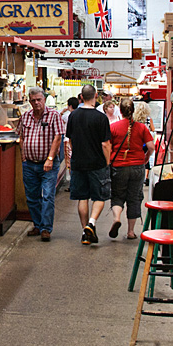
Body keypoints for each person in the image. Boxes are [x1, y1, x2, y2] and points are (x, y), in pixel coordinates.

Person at [66, 84, 112, 245]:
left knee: (82, 197)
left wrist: (76, 152)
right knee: (99, 196)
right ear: (96, 95)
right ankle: (91, 223)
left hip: (78, 162)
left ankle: (85, 232)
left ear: (81, 97)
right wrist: (108, 162)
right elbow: (105, 144)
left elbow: (70, 140)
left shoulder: (73, 116)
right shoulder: (101, 118)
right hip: (97, 163)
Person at [18, 87, 63, 242]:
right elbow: (21, 136)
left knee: (48, 196)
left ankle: (46, 229)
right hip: (29, 164)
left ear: (44, 99)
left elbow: (58, 137)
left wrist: (50, 158)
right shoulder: (25, 116)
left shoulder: (54, 115)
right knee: (31, 197)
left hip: (48, 164)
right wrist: (23, 155)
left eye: (39, 99)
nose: (36, 103)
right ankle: (37, 225)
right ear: (29, 101)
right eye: (33, 100)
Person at [109, 98, 154, 240]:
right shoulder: (142, 128)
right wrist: (146, 157)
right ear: (133, 111)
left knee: (117, 195)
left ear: (120, 111)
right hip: (137, 167)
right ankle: (130, 232)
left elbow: (107, 146)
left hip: (119, 166)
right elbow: (152, 146)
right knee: (134, 198)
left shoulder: (114, 127)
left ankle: (117, 218)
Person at [58, 97, 79, 189]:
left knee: (69, 163)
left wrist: (62, 111)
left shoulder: (67, 116)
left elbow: (58, 121)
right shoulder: (79, 114)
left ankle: (73, 184)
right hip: (78, 140)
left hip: (68, 140)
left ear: (69, 105)